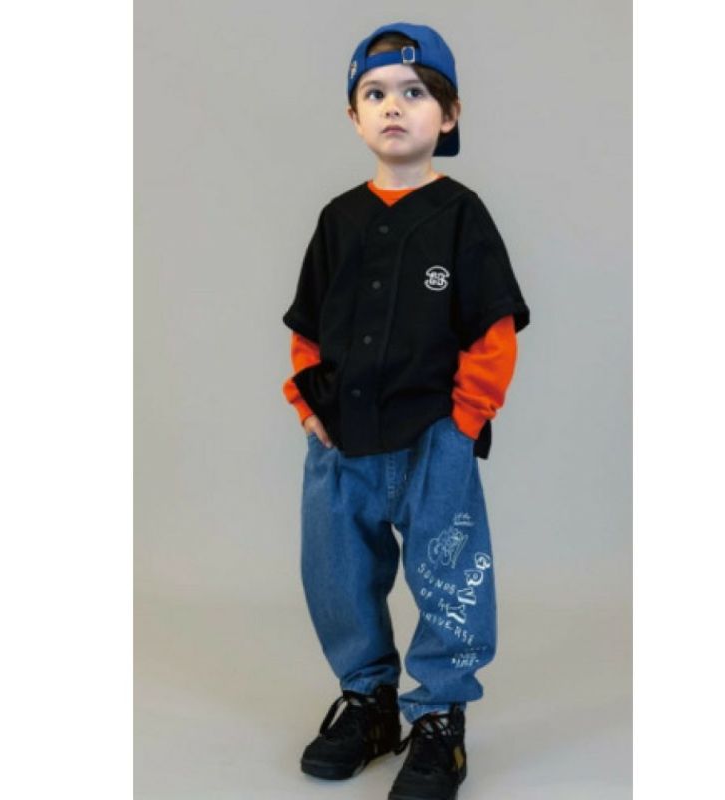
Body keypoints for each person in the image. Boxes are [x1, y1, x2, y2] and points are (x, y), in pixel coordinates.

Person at [281, 21, 530, 800]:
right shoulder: (338, 219)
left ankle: (440, 719)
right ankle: (369, 703)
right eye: (375, 93)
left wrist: (465, 421)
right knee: (336, 573)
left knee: (450, 574)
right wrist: (307, 404)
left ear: (448, 116)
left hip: (434, 438)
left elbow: (492, 331)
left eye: (416, 93)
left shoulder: (461, 216)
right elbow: (308, 326)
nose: (394, 106)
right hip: (341, 439)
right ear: (354, 117)